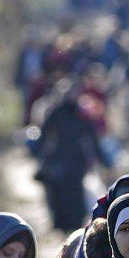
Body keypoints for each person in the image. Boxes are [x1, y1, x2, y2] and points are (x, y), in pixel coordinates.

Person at [33, 78, 105, 232]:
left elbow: (91, 137)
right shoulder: (56, 112)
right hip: (59, 159)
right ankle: (61, 226)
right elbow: (45, 133)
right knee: (59, 195)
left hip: (77, 161)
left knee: (75, 194)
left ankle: (75, 225)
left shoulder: (82, 114)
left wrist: (99, 157)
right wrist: (40, 153)